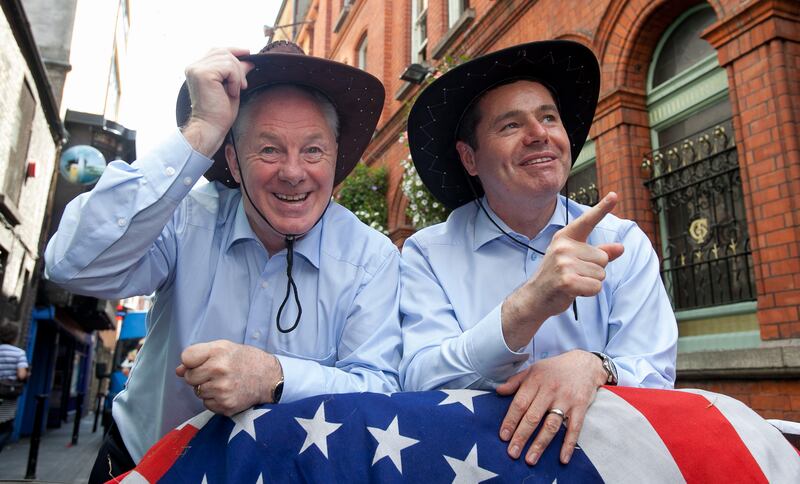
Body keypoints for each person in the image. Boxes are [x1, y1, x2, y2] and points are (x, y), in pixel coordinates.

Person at [45, 41, 402, 482]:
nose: (293, 172)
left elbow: (380, 389)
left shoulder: (372, 258)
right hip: (142, 467)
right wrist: (204, 127)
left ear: (334, 157)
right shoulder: (184, 219)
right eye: (269, 150)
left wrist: (274, 376)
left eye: (313, 150)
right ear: (232, 160)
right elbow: (72, 264)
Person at [401, 40, 677, 467]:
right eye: (510, 126)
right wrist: (526, 308)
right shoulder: (428, 253)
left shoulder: (622, 240)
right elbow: (420, 378)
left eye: (548, 117)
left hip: (604, 467)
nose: (539, 134)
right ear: (469, 158)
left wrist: (595, 366)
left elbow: (656, 376)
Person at [0, 323, 29, 453]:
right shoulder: (19, 353)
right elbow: (22, 374)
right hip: (7, 394)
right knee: (6, 427)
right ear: (15, 337)